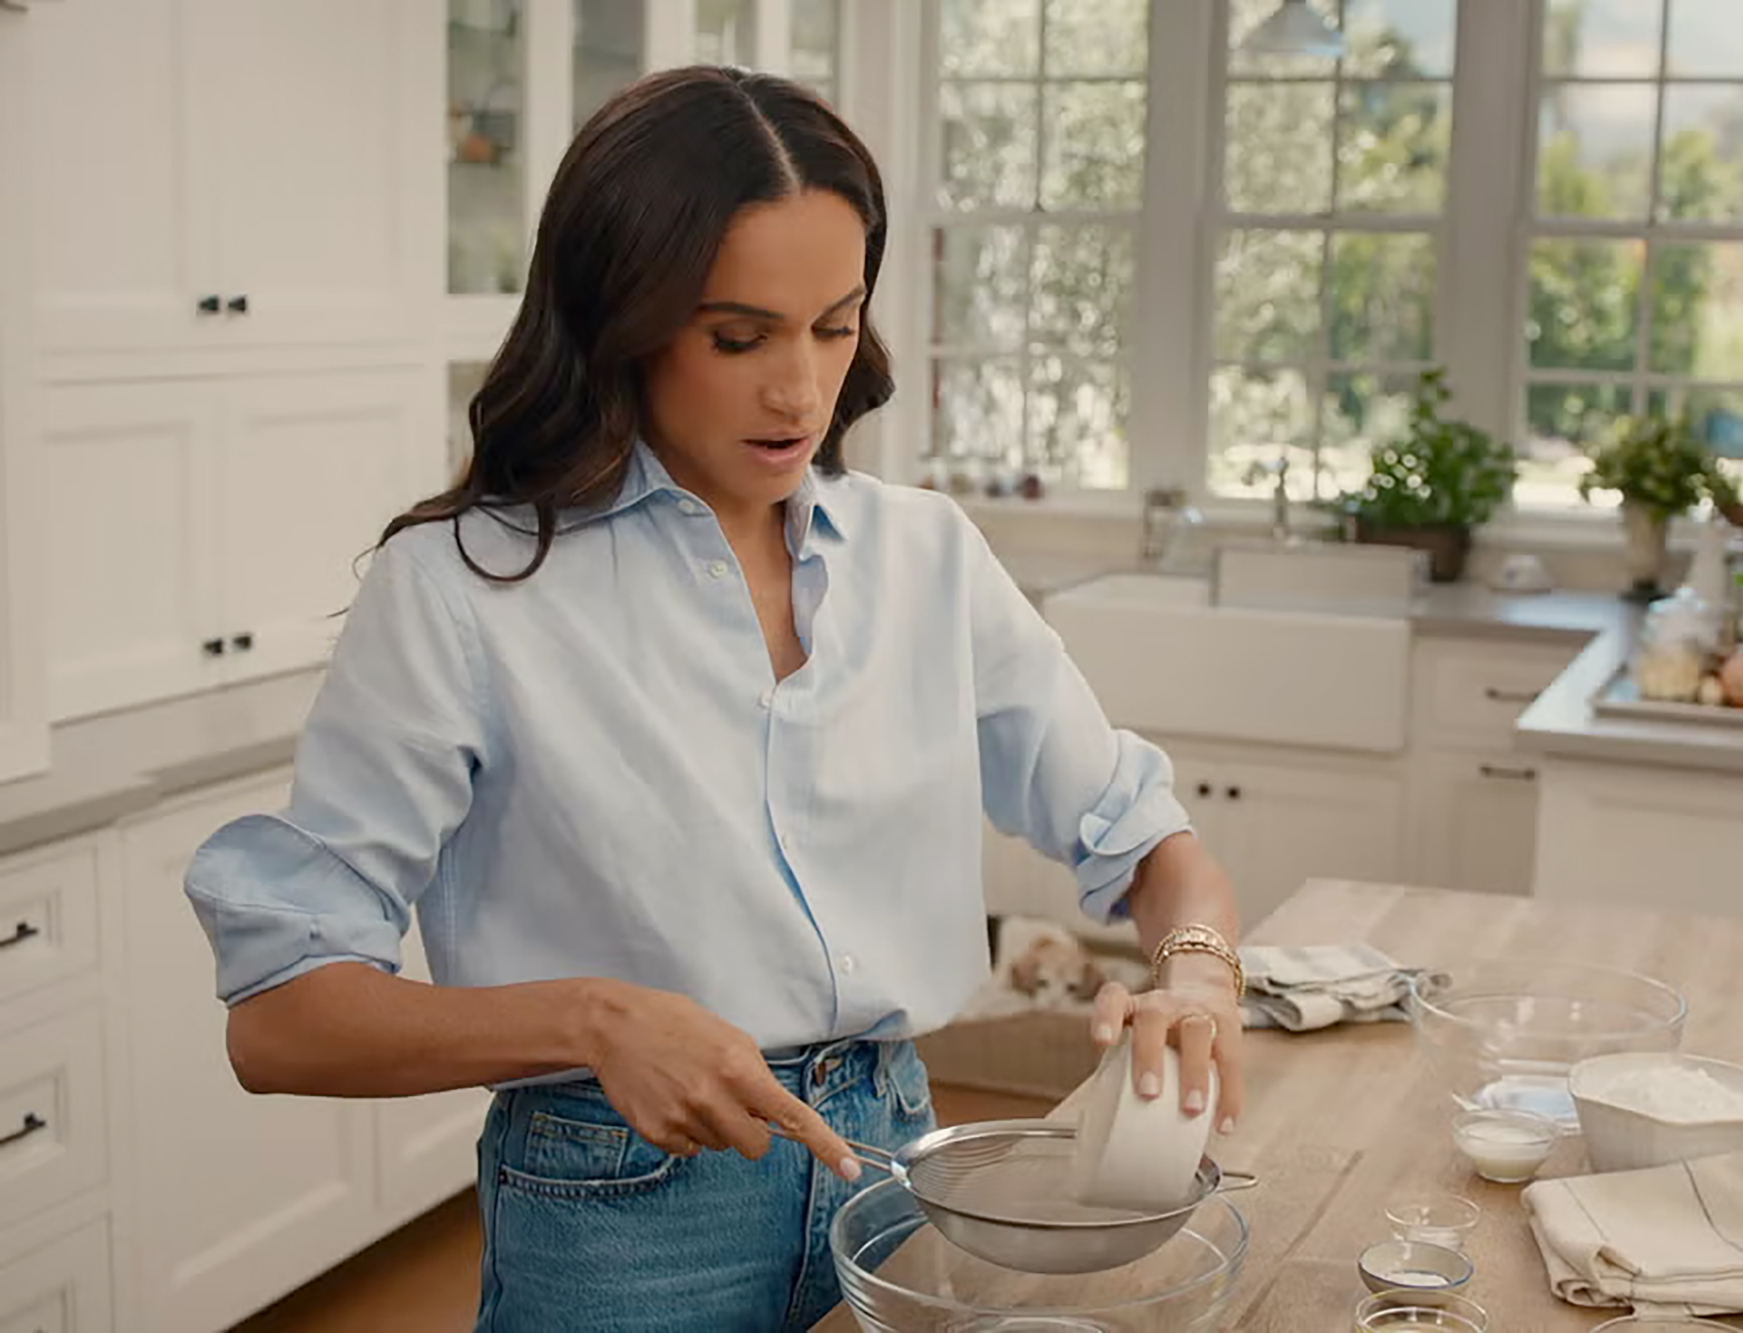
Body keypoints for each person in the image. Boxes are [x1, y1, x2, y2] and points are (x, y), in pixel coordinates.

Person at [183, 66, 1247, 1333]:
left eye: (834, 326)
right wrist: (589, 1018)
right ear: (617, 320)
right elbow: (284, 1022)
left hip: (899, 1179)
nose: (800, 391)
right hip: (622, 1207)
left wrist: (1197, 978)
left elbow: (1148, 844)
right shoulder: (462, 589)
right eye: (738, 337)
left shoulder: (926, 555)